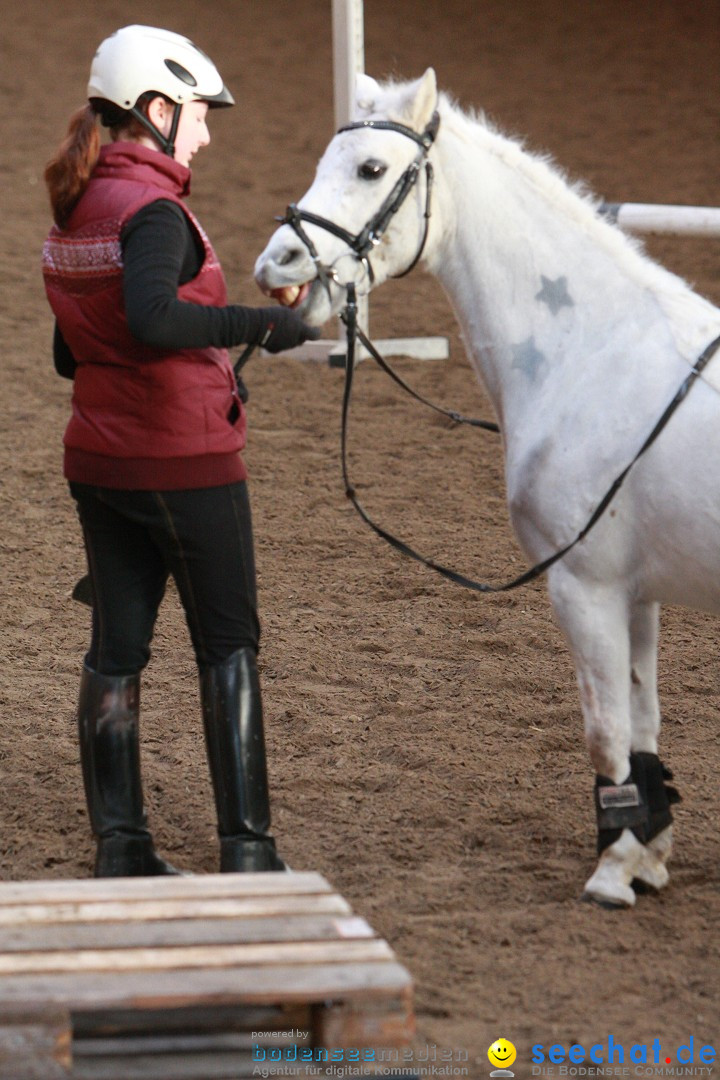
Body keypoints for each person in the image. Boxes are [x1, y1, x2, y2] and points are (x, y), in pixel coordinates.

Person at [42, 25, 317, 877]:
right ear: (157, 110)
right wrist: (261, 325)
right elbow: (157, 319)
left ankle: (120, 843)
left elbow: (68, 351)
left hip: (101, 461)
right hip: (183, 462)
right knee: (228, 643)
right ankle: (247, 846)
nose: (203, 132)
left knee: (116, 650)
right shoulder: (154, 211)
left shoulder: (82, 204)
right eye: (197, 114)